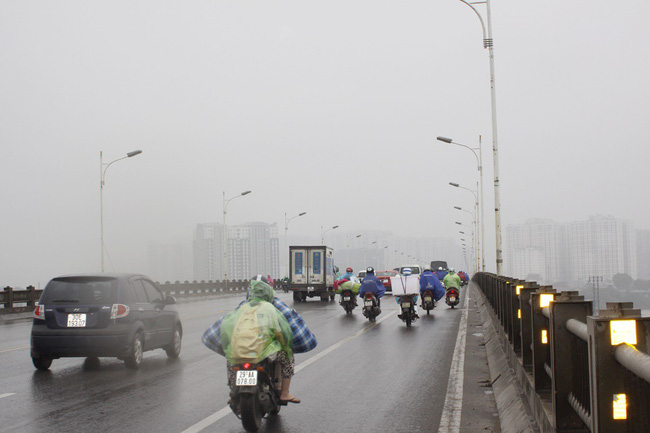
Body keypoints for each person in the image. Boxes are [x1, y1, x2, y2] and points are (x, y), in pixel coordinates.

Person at [202, 275, 317, 404]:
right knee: (287, 356)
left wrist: (229, 346)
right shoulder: (271, 307)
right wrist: (285, 345)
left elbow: (226, 328)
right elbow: (281, 331)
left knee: (231, 359)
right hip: (264, 351)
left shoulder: (243, 307)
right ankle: (284, 393)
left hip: (241, 349)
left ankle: (233, 392)